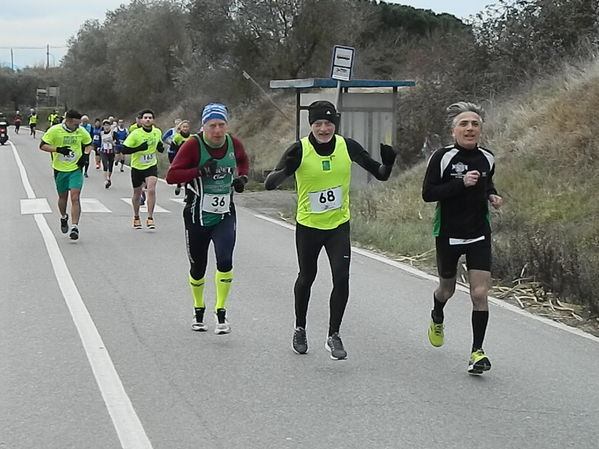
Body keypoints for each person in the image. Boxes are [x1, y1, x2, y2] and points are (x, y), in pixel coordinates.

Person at [264, 100, 397, 360]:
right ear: (311, 125)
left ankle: (333, 335)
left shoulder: (347, 146)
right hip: (309, 226)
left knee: (341, 277)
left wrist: (389, 163)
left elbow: (380, 174)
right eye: (318, 124)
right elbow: (270, 183)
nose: (323, 129)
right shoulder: (299, 149)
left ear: (335, 125)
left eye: (328, 123)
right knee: (307, 276)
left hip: (338, 225)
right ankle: (299, 328)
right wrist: (285, 171)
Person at [422, 101, 503, 375]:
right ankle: (437, 313)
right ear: (453, 130)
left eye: (475, 124)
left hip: (478, 232)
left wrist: (492, 194)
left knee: (480, 293)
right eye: (464, 124)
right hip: (448, 232)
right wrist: (460, 184)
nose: (470, 128)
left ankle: (477, 352)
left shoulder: (487, 157)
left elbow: (488, 181)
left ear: (480, 130)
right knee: (447, 289)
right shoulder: (442, 158)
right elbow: (429, 193)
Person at [166, 103, 249, 335]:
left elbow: (243, 160)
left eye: (221, 124)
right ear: (203, 126)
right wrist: (199, 171)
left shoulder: (234, 143)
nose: (217, 130)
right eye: (212, 125)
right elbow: (172, 176)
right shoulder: (193, 145)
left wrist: (242, 178)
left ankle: (221, 311)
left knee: (225, 260)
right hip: (196, 215)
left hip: (224, 213)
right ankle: (198, 307)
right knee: (198, 266)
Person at [39, 109, 93, 240]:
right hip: (60, 169)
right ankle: (64, 217)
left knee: (75, 197)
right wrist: (58, 149)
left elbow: (89, 144)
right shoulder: (55, 130)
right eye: (75, 124)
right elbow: (42, 146)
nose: (77, 127)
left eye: (79, 124)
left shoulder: (81, 131)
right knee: (62, 198)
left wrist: (85, 155)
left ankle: (75, 227)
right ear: (68, 121)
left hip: (75, 169)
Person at [122, 109, 163, 229]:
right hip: (137, 167)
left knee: (151, 190)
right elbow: (124, 149)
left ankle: (150, 218)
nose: (148, 119)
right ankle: (136, 216)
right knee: (137, 193)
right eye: (145, 117)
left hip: (151, 165)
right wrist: (139, 148)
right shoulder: (135, 134)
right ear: (141, 120)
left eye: (150, 117)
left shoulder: (157, 132)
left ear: (153, 120)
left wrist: (160, 147)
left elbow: (159, 144)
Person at [168, 120, 192, 195]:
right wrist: (172, 162)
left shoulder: (192, 137)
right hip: (178, 158)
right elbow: (171, 150)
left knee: (188, 176)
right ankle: (178, 185)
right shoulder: (177, 138)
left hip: (189, 159)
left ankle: (186, 194)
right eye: (184, 127)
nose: (185, 128)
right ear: (180, 128)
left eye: (187, 127)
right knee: (180, 174)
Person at [99, 119, 116, 188]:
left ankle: (109, 178)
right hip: (103, 151)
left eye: (108, 125)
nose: (106, 127)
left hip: (111, 151)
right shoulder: (101, 133)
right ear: (103, 126)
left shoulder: (113, 133)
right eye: (105, 125)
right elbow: (98, 141)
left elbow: (117, 140)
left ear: (110, 126)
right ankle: (106, 180)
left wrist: (115, 143)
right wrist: (97, 147)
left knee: (111, 166)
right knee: (105, 165)